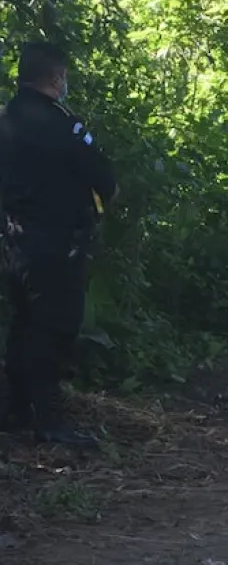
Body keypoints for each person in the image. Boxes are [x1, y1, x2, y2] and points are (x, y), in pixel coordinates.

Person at [0, 42, 117, 447]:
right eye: (64, 76)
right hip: (58, 245)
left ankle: (15, 410)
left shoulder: (6, 118)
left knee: (24, 324)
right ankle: (49, 422)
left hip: (14, 244)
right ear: (55, 78)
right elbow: (104, 178)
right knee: (54, 330)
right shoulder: (63, 125)